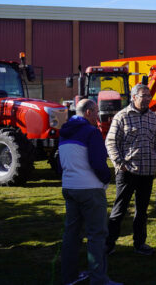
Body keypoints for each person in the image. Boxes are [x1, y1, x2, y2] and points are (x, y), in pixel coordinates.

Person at [59, 99, 120, 285]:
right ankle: (99, 279)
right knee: (97, 235)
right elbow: (98, 162)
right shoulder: (91, 132)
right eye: (95, 112)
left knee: (71, 234)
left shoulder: (64, 132)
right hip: (90, 188)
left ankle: (69, 276)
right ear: (88, 112)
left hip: (70, 186)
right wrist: (105, 179)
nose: (98, 117)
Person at [105, 84, 156, 256]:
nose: (146, 99)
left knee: (142, 211)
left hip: (147, 172)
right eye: (143, 95)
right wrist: (119, 163)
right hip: (127, 171)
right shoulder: (122, 116)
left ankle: (139, 244)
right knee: (119, 209)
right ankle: (108, 244)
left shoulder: (153, 117)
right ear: (133, 97)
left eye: (148, 96)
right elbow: (111, 142)